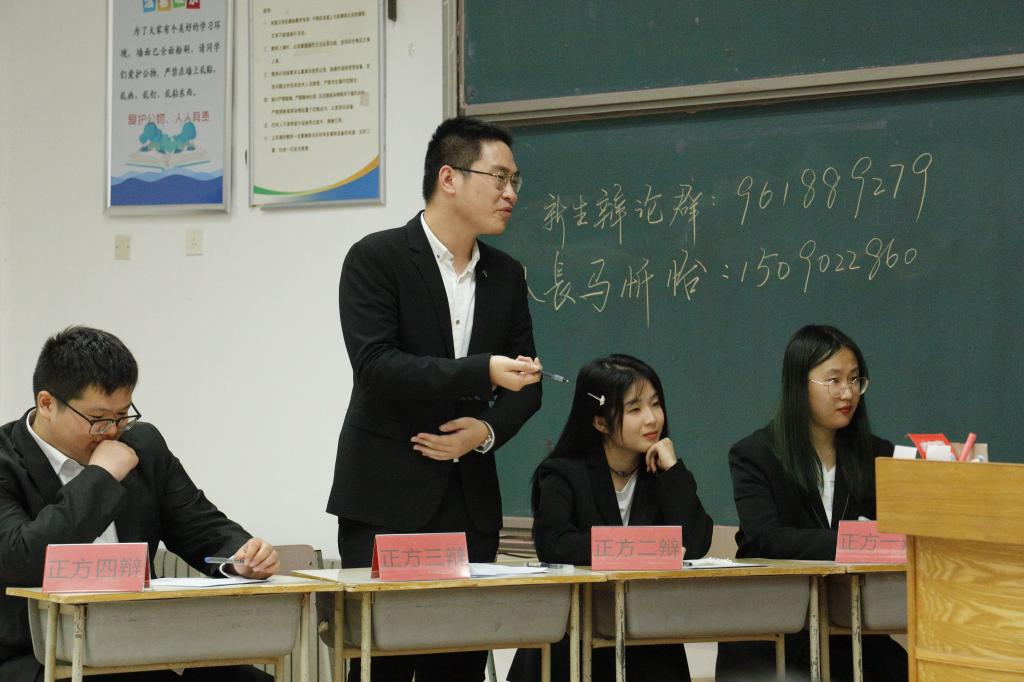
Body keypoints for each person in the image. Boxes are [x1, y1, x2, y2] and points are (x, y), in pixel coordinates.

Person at [327, 116, 543, 681]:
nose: (511, 193)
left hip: (468, 503)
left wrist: (485, 432)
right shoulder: (377, 258)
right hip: (385, 499)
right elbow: (377, 366)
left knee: (460, 665)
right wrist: (483, 371)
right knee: (383, 667)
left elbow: (528, 384)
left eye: (515, 180)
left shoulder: (507, 275)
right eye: (499, 178)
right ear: (449, 178)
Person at [0, 326, 279, 682]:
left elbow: (200, 525)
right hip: (38, 655)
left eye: (122, 415)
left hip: (141, 644)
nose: (112, 431)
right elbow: (22, 559)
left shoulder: (142, 445)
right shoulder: (6, 461)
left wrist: (243, 556)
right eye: (98, 419)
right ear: (47, 404)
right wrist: (101, 477)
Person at [716, 324, 908, 681]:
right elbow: (767, 538)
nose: (847, 392)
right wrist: (858, 542)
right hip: (775, 631)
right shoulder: (756, 454)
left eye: (855, 379)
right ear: (798, 384)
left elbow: (900, 535)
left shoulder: (879, 455)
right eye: (833, 380)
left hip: (851, 632)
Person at [508, 354, 713, 682]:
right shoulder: (562, 473)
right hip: (574, 640)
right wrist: (638, 549)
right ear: (600, 422)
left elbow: (696, 543)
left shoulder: (661, 473)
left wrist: (673, 472)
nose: (652, 419)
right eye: (635, 409)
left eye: (655, 404)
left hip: (648, 643)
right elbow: (555, 544)